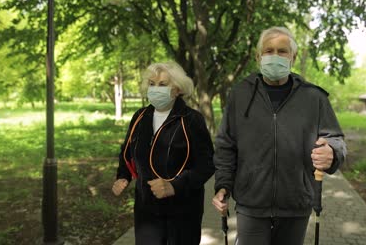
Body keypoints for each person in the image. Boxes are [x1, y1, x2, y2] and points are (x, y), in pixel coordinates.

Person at [212, 26, 347, 245]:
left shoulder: (314, 97)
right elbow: (226, 145)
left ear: (293, 56)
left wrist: (332, 152)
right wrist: (223, 186)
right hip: (251, 203)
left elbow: (336, 139)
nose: (275, 56)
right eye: (269, 50)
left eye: (282, 51)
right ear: (258, 57)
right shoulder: (240, 94)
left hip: (296, 203)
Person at [112, 61, 215, 245]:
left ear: (177, 89)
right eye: (152, 84)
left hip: (183, 214)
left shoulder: (191, 120)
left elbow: (206, 165)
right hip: (147, 214)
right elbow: (127, 151)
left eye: (162, 84)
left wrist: (174, 185)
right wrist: (123, 176)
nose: (155, 89)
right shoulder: (140, 117)